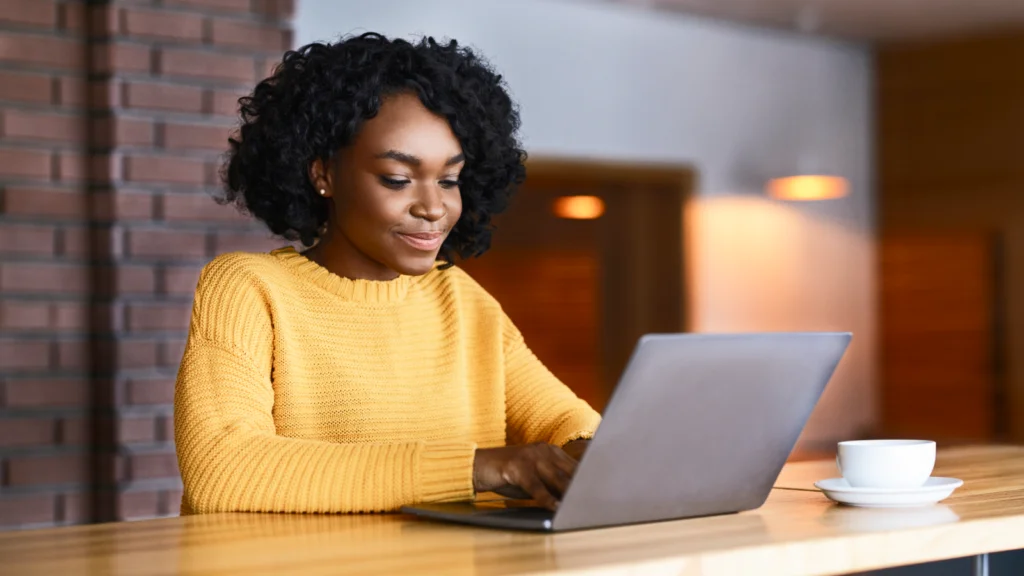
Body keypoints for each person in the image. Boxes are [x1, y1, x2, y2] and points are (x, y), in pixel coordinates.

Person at [173, 32, 601, 515]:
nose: (434, 207)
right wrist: (480, 467)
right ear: (324, 175)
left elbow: (567, 421)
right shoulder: (248, 289)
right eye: (398, 179)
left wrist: (591, 452)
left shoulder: (461, 300)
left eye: (449, 180)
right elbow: (224, 470)